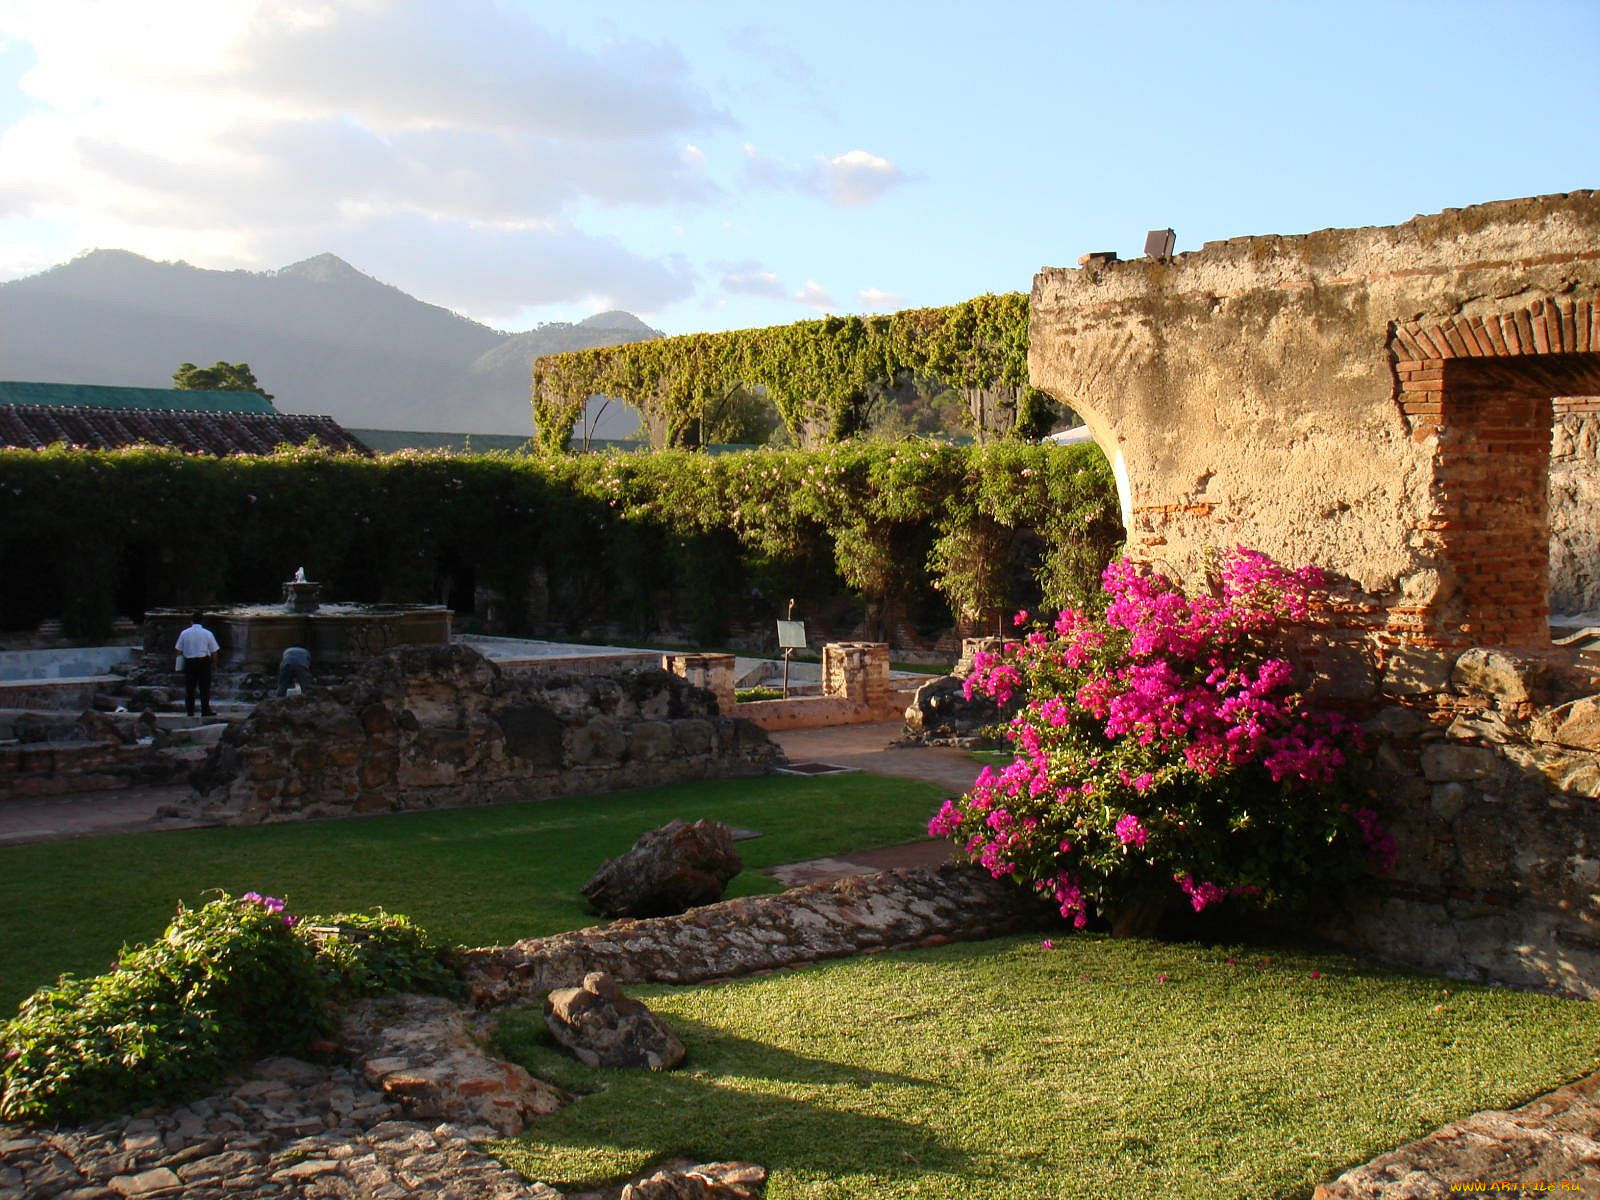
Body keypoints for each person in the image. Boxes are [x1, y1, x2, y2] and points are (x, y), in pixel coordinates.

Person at [174, 611, 221, 718]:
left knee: (190, 688)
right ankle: (205, 709)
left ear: (191, 621)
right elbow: (214, 651)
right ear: (202, 621)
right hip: (203, 662)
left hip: (189, 662)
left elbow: (178, 650)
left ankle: (190, 711)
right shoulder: (207, 633)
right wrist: (214, 664)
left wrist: (179, 663)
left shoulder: (184, 633)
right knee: (204, 687)